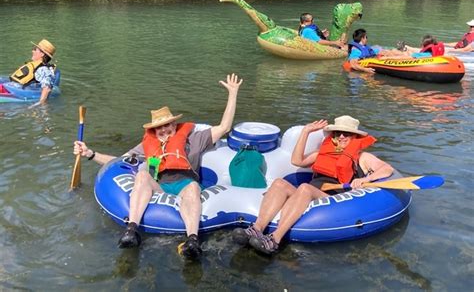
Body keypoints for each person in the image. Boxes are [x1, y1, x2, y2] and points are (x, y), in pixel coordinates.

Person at [74, 74, 243, 258]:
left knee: (194, 187)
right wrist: (90, 154)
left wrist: (232, 93)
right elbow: (118, 161)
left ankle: (192, 240)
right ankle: (131, 231)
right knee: (142, 176)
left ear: (174, 124)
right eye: (159, 128)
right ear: (154, 130)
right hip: (160, 185)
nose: (164, 130)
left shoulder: (195, 138)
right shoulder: (148, 144)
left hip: (185, 184)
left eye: (167, 125)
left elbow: (225, 127)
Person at [233, 115, 393, 255]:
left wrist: (365, 180)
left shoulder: (363, 157)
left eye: (348, 134)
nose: (342, 136)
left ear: (355, 137)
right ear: (334, 136)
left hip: (332, 198)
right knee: (279, 183)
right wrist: (305, 132)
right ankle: (257, 229)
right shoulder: (324, 153)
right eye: (338, 133)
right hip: (310, 193)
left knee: (305, 188)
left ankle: (275, 239)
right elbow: (297, 161)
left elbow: (387, 169)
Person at [9, 39, 57, 106]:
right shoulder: (37, 66)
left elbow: (47, 88)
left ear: (42, 54)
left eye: (35, 49)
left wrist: (40, 103)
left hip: (16, 93)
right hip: (12, 88)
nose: (32, 51)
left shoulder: (42, 69)